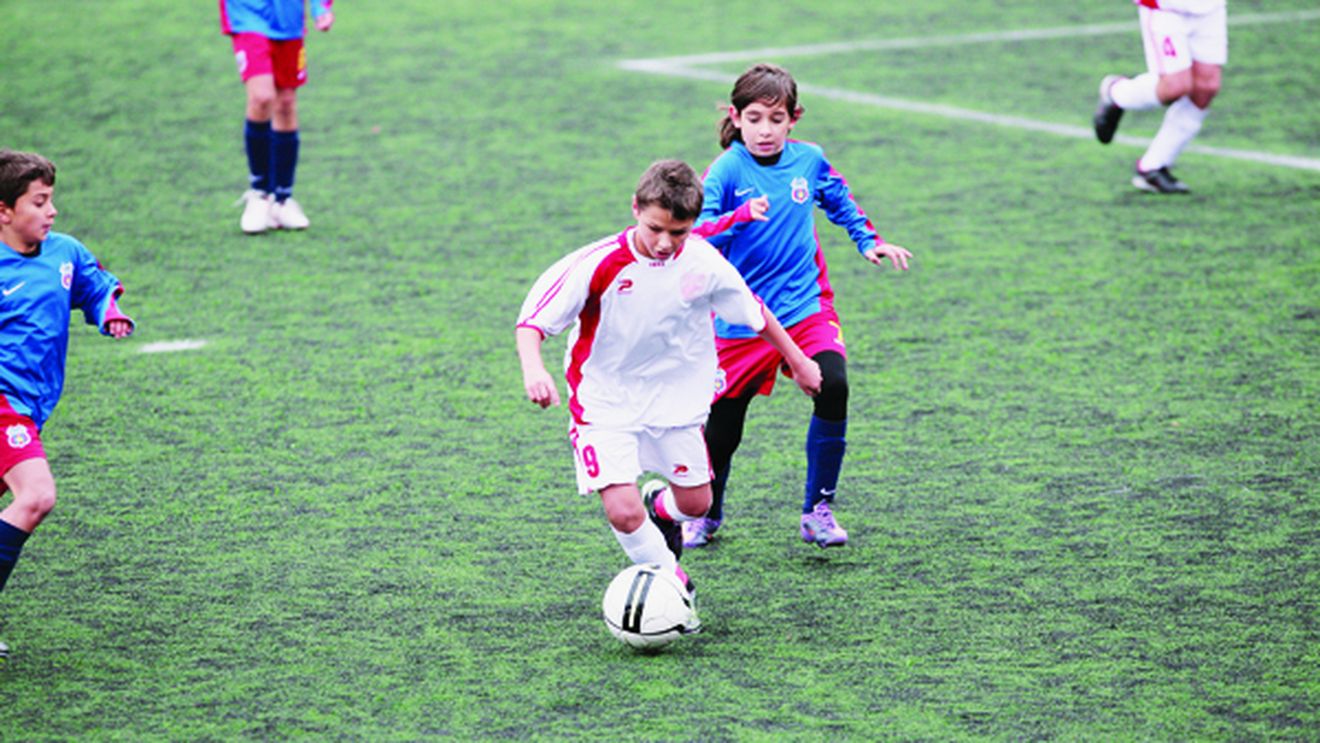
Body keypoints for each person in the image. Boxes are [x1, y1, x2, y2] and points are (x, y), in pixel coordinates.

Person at [515, 159, 821, 608]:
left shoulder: (702, 260)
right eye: (655, 228)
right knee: (621, 510)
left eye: (677, 233)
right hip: (605, 400)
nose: (664, 243)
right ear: (635, 208)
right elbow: (531, 323)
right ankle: (674, 584)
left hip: (677, 399)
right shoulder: (596, 263)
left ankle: (661, 508)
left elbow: (753, 311)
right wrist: (533, 369)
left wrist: (798, 359)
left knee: (697, 504)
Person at [687, 63, 912, 551]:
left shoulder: (809, 161)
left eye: (775, 118)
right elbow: (696, 235)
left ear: (794, 119)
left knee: (833, 385)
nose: (764, 130)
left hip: (804, 307)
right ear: (736, 117)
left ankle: (818, 510)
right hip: (739, 318)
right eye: (754, 118)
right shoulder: (725, 170)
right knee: (722, 429)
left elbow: (840, 200)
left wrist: (868, 241)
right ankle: (707, 513)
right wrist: (740, 216)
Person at [0, 150, 135, 661]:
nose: (51, 210)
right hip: (3, 405)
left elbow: (94, 285)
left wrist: (109, 312)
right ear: (4, 211)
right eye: (39, 202)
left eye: (52, 199)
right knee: (35, 497)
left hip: (30, 408)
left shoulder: (64, 252)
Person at [220, 0, 336, 233]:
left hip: (288, 18)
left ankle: (282, 199)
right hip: (247, 14)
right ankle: (260, 193)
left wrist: (319, 7)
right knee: (262, 98)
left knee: (285, 103)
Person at [1093, 0, 1227, 193]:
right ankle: (1116, 92)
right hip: (1166, 8)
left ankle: (1153, 167)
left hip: (1209, 7)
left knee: (1206, 88)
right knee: (1175, 86)